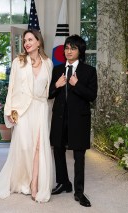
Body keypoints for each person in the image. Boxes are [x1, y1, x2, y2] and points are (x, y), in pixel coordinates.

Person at [0, 29, 54, 203]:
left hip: (40, 108)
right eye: (25, 40)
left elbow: (49, 90)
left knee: (39, 147)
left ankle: (34, 184)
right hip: (23, 110)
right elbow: (11, 89)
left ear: (38, 42)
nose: (26, 43)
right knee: (25, 146)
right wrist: (9, 111)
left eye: (30, 39)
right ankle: (22, 180)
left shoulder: (48, 63)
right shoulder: (19, 62)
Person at [48, 34, 97, 207]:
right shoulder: (57, 69)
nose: (68, 51)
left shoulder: (89, 71)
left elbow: (92, 96)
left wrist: (77, 84)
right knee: (58, 150)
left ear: (80, 51)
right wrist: (57, 85)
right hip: (59, 118)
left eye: (73, 48)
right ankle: (63, 183)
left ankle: (79, 192)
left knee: (79, 156)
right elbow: (49, 95)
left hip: (79, 120)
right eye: (67, 48)